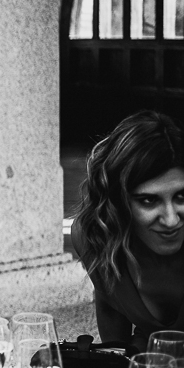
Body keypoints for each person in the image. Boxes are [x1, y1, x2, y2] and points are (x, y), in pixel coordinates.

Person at [72, 111, 184, 352]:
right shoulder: (94, 235)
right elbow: (111, 302)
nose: (171, 219)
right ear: (118, 203)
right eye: (148, 201)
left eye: (181, 197)